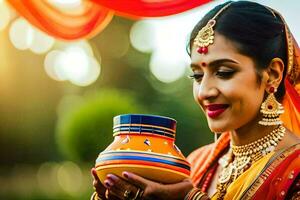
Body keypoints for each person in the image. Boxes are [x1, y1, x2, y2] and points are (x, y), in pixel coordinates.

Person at [91, 1, 300, 199]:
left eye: (224, 72)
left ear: (272, 74)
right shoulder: (194, 163)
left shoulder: (295, 170)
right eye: (198, 76)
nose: (204, 92)